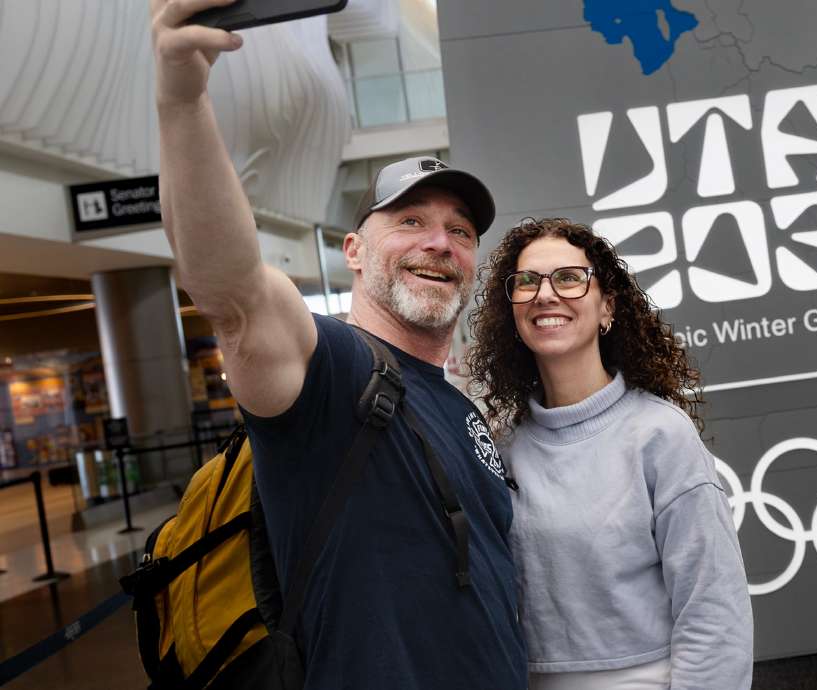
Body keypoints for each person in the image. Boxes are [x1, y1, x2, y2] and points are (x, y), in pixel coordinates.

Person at [148, 2, 526, 688]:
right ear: (353, 251)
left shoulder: (458, 405)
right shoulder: (329, 372)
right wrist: (182, 97)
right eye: (410, 220)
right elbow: (232, 290)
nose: (440, 243)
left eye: (461, 231)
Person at [467, 218, 755, 690]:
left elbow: (713, 608)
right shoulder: (499, 445)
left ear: (607, 307)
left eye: (569, 277)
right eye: (527, 282)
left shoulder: (660, 435)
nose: (545, 294)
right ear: (513, 314)